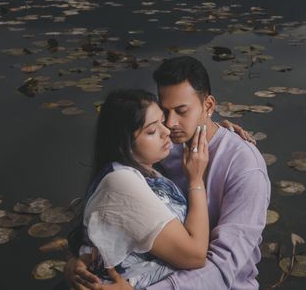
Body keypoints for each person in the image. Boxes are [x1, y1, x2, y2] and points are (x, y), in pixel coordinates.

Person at [68, 56, 271, 289]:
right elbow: (111, 208)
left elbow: (224, 266)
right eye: (165, 112)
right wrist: (75, 261)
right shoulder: (160, 147)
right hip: (150, 272)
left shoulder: (245, 168)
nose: (171, 124)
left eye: (182, 111)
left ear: (209, 106)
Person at [76, 89, 211, 288]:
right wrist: (196, 181)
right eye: (151, 131)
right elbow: (196, 255)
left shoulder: (146, 171)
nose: (167, 132)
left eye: (162, 122)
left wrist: (218, 127)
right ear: (125, 143)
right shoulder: (121, 182)